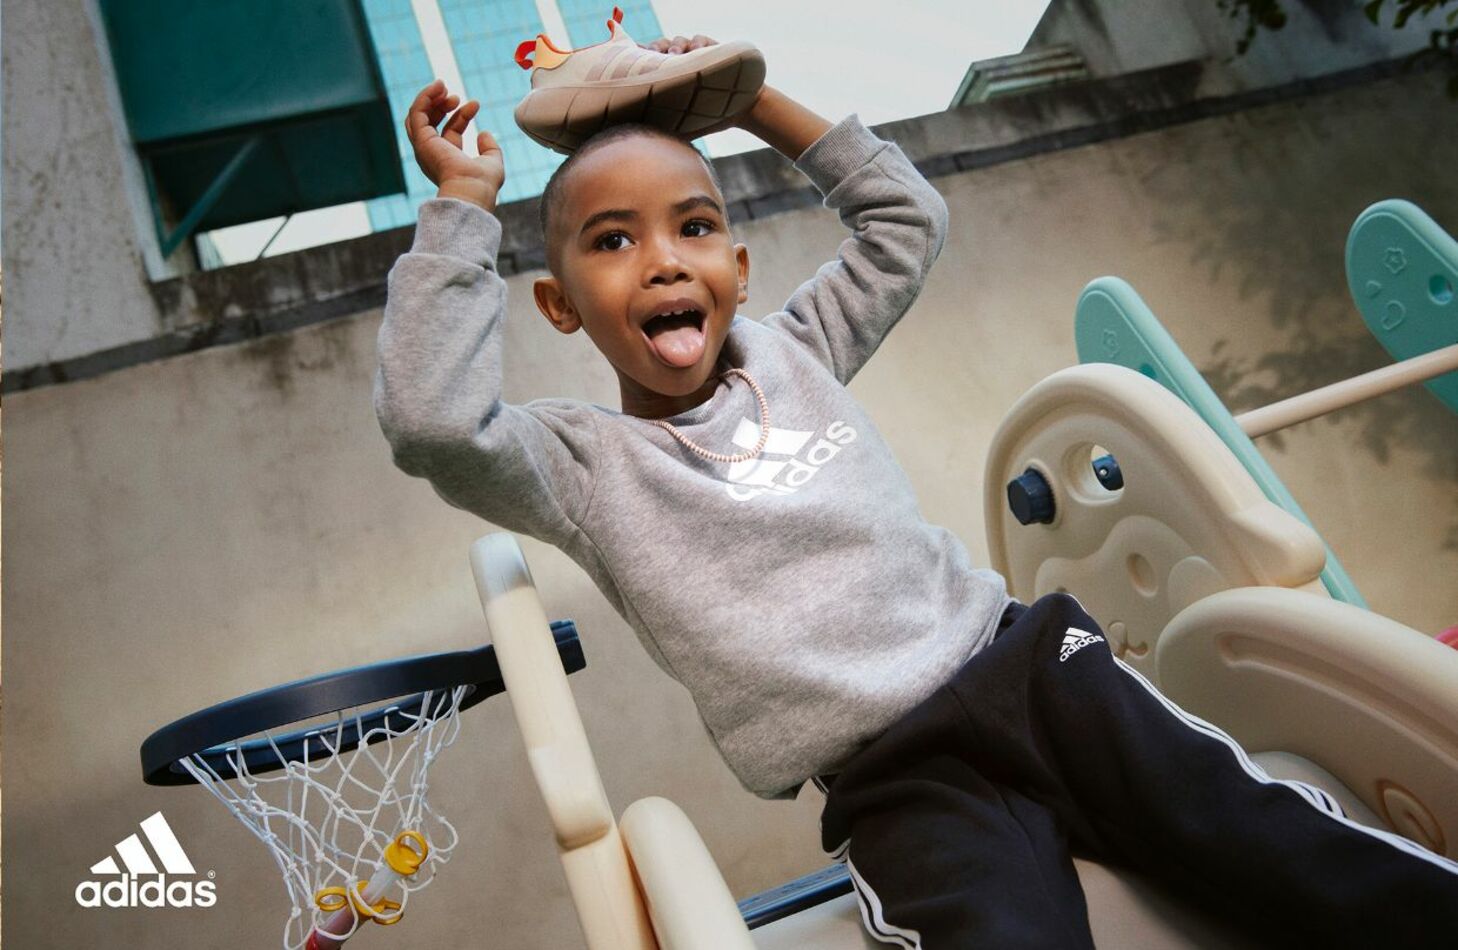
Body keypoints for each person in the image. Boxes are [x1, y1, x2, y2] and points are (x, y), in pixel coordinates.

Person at [374, 36, 1458, 947]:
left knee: (1256, 831)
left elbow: (904, 219)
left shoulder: (792, 352)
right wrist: (461, 210)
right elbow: (432, 422)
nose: (662, 260)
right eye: (613, 241)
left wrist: (751, 105)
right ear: (560, 306)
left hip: (1031, 672)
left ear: (738, 272)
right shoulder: (582, 466)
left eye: (693, 226)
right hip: (896, 775)